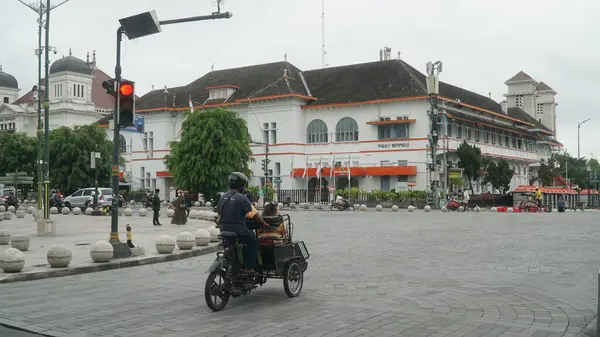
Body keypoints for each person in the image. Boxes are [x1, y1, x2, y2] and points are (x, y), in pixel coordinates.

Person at [217, 172, 269, 274]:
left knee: (232, 244)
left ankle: (235, 262)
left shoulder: (223, 196)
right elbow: (254, 214)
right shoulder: (242, 197)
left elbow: (220, 213)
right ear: (241, 185)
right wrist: (264, 224)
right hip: (238, 229)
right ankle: (248, 268)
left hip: (223, 228)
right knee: (253, 242)